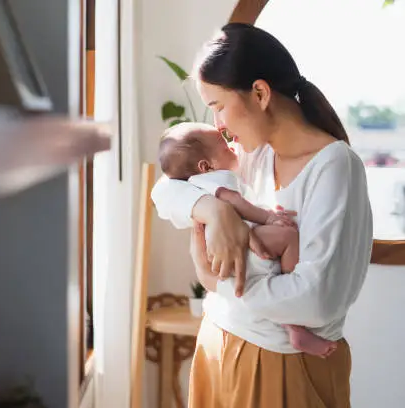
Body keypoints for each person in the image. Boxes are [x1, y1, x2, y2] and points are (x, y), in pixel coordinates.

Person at [151, 23, 373, 407]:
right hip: (218, 342)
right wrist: (214, 209)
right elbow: (164, 190)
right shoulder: (254, 155)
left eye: (218, 106)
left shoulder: (334, 167)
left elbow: (316, 301)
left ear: (259, 93)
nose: (218, 125)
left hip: (279, 362)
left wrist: (214, 283)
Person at [158, 122, 338, 357]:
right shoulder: (217, 181)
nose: (231, 144)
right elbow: (237, 204)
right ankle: (292, 299)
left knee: (259, 282)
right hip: (236, 247)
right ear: (206, 165)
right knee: (288, 236)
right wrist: (269, 218)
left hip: (225, 257)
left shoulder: (195, 182)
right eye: (223, 145)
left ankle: (292, 328)